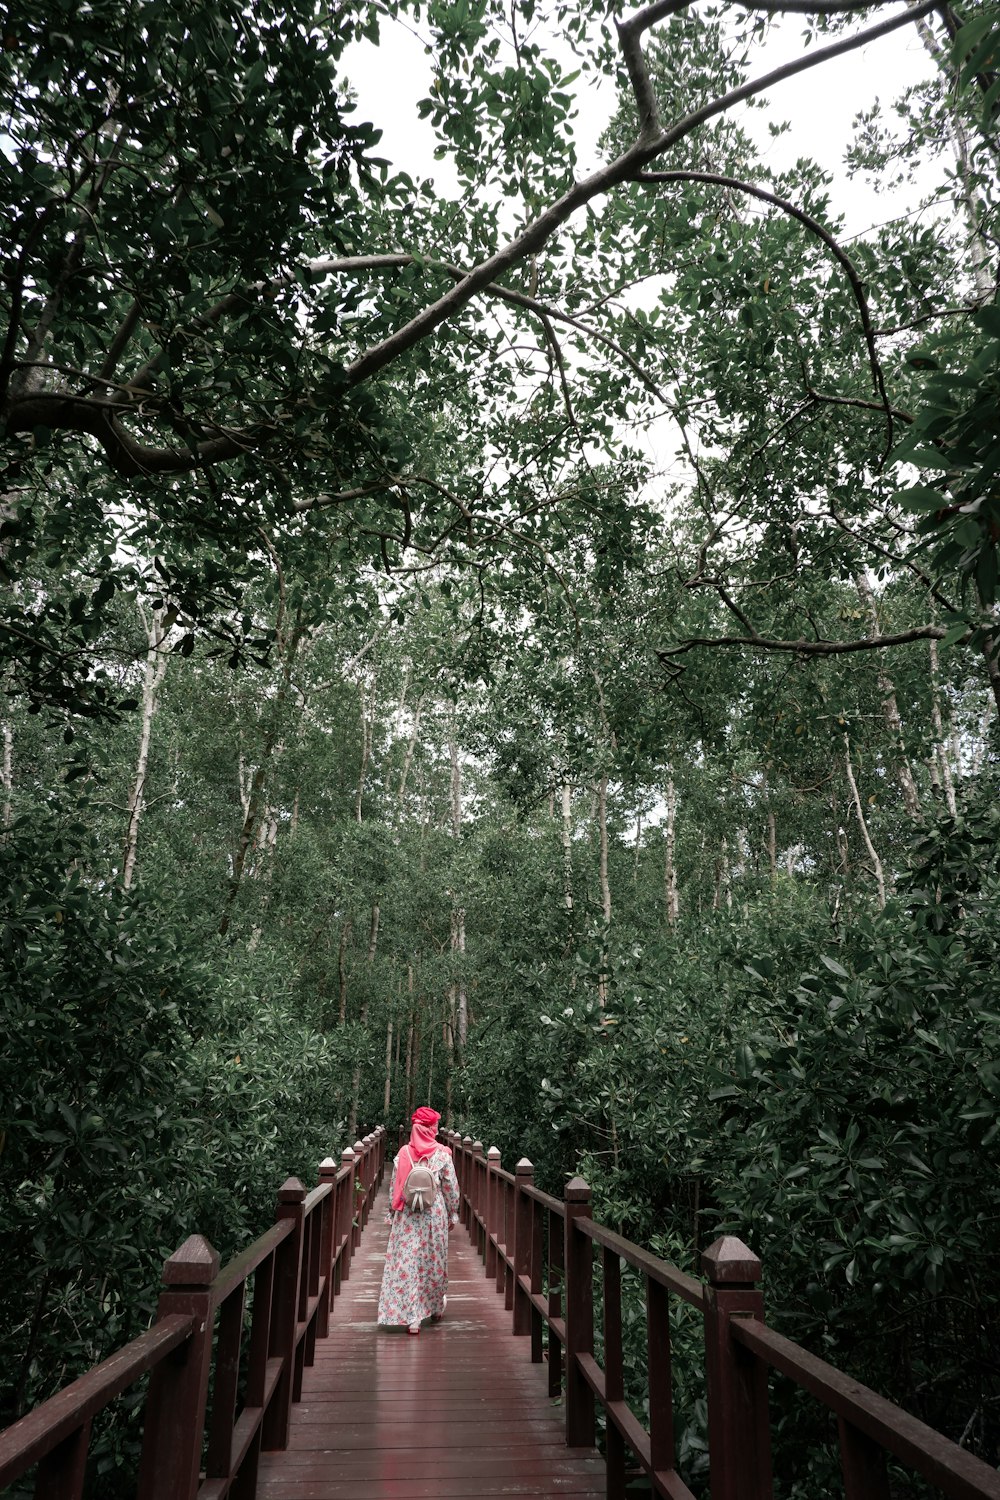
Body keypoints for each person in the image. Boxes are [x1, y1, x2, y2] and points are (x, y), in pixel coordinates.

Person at [377, 1105, 460, 1335]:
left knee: (409, 1263)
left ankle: (412, 1317)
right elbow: (450, 1188)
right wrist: (453, 1212)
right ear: (431, 1129)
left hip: (408, 1216)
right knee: (433, 1262)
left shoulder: (403, 1153)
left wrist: (392, 1214)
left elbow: (395, 1187)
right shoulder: (442, 1155)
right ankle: (434, 1309)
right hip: (434, 1216)